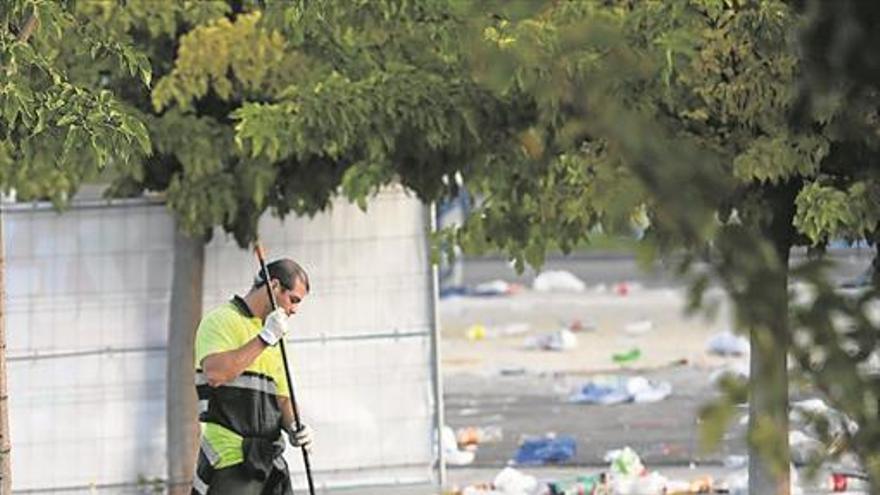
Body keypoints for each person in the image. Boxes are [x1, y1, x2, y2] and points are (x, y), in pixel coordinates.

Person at [191, 258, 314, 495]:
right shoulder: (221, 321)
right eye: (293, 300)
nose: (295, 310)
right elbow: (215, 373)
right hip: (231, 460)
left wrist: (296, 427)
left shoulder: (275, 334)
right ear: (274, 286)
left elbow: (281, 399)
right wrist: (264, 339)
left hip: (269, 462)